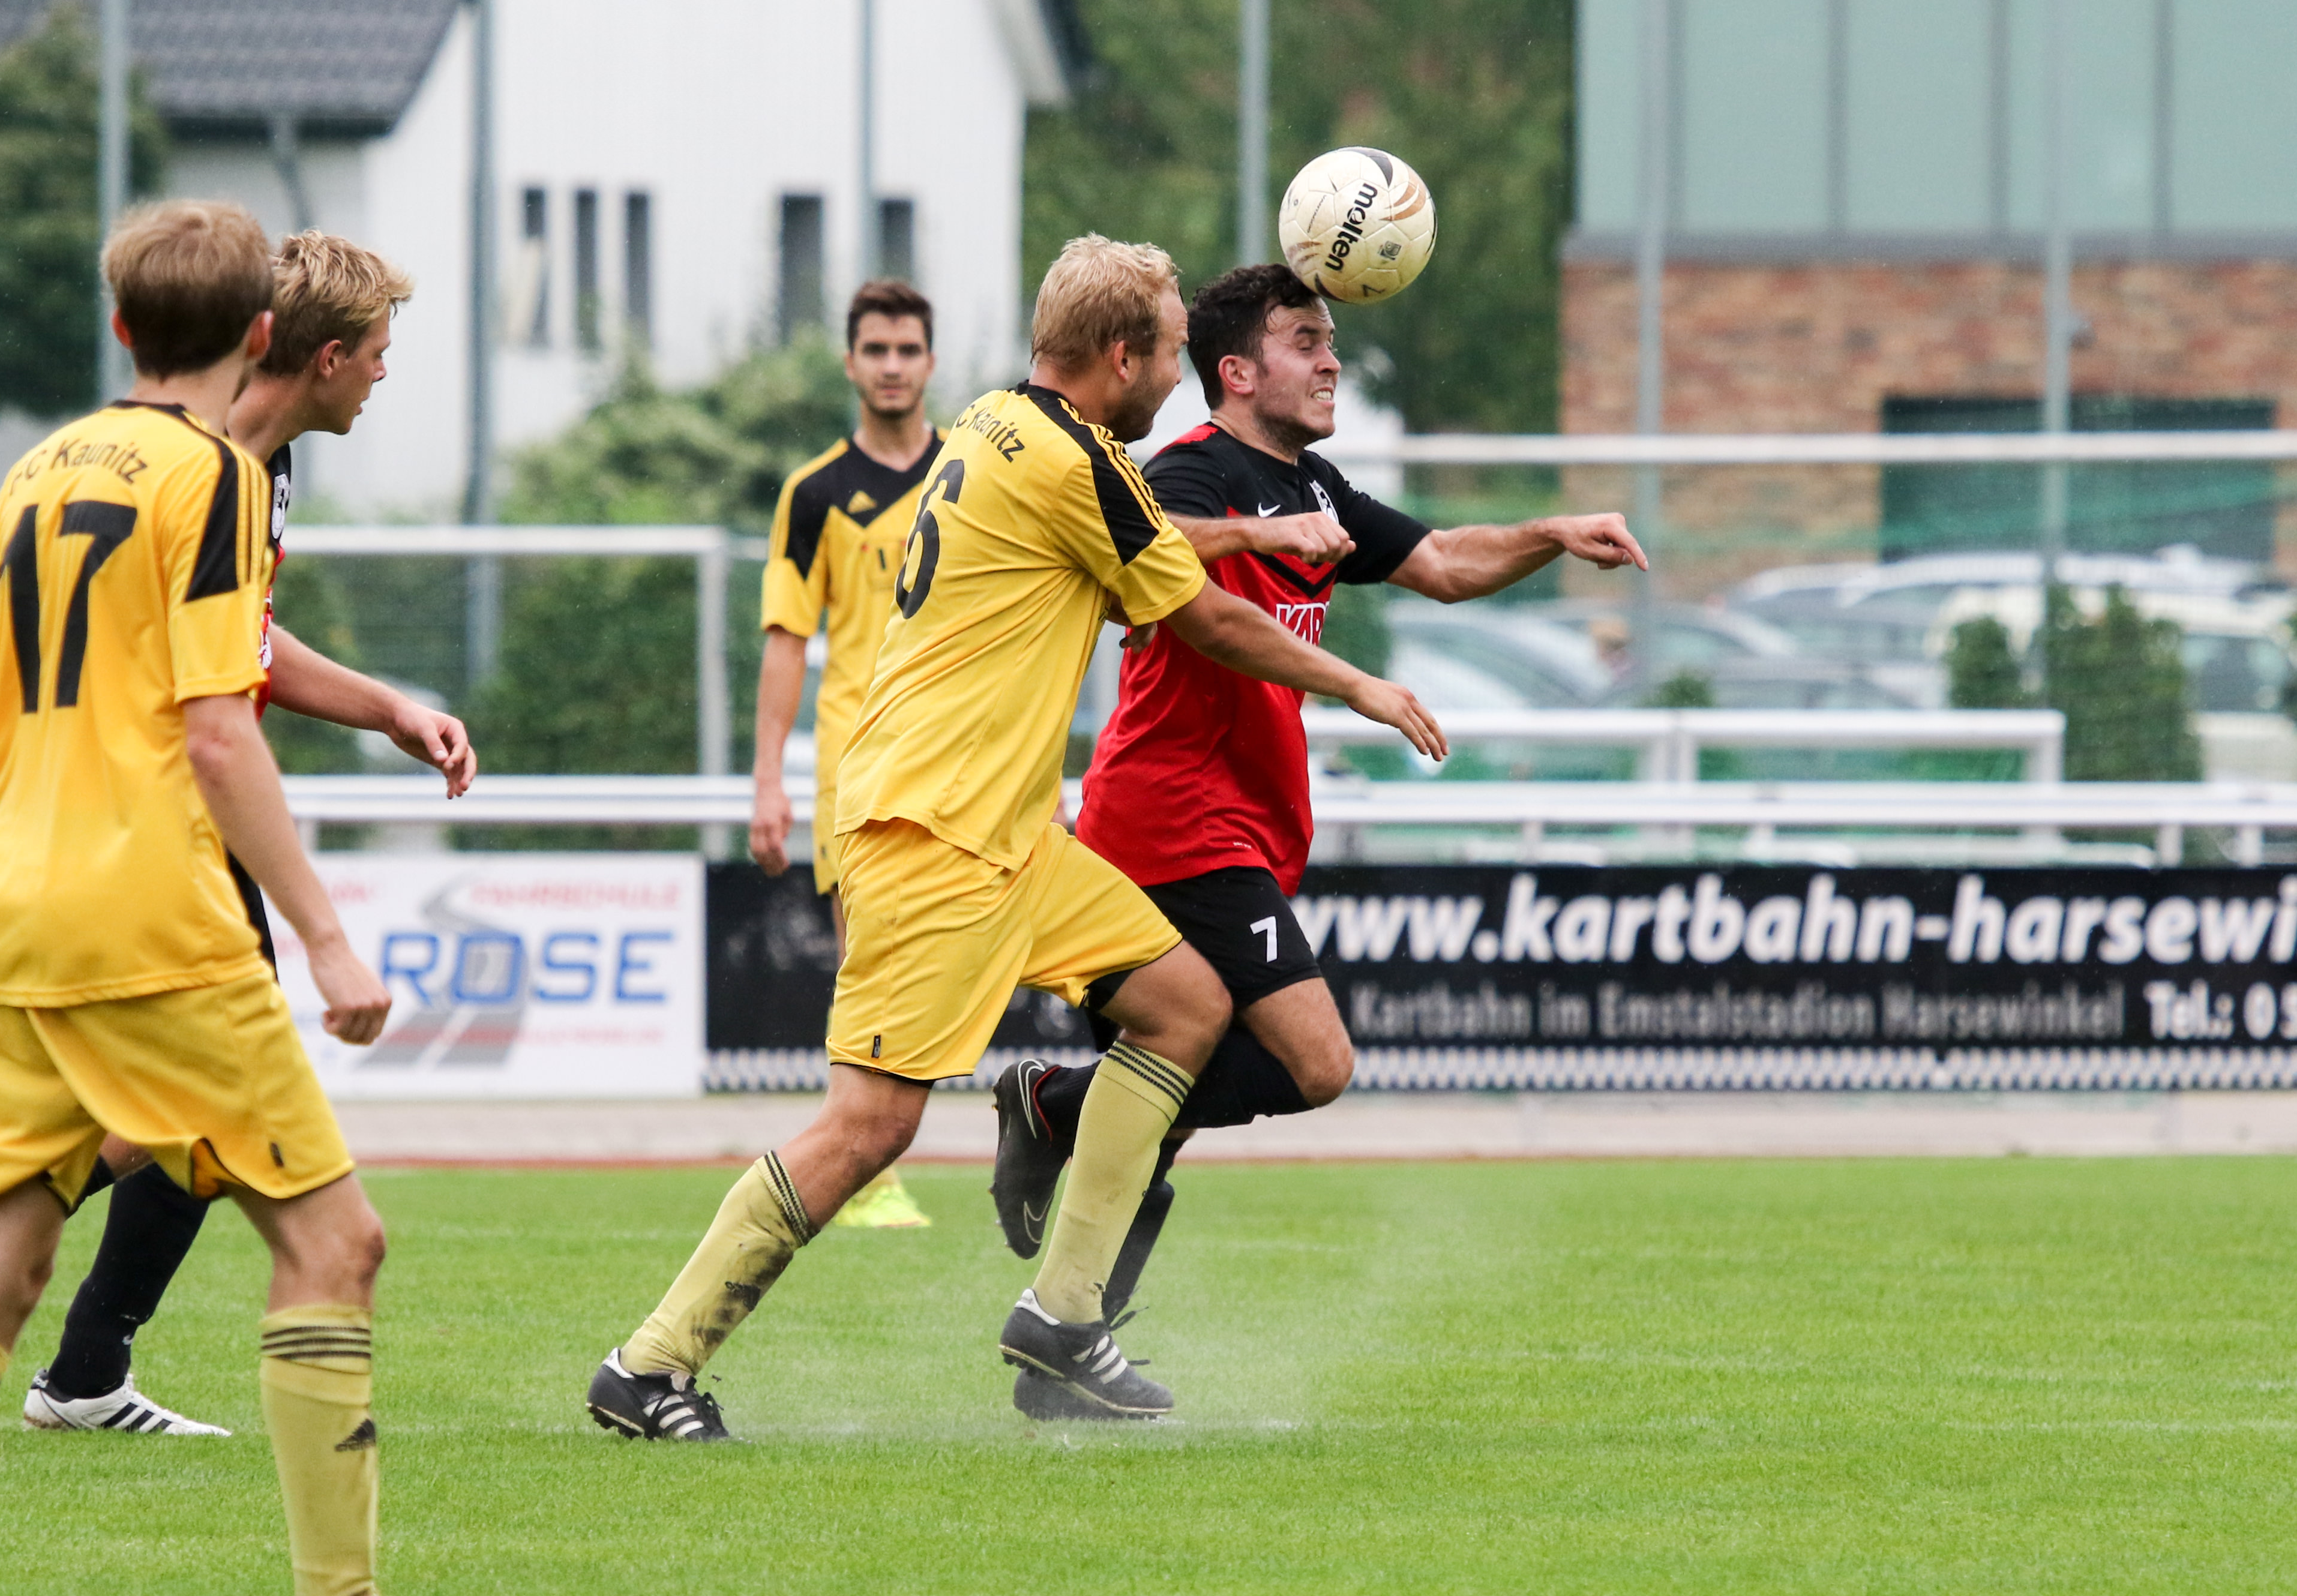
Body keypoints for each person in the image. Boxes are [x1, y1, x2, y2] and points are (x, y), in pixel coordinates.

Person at [0, 199, 518, 1596]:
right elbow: (217, 730)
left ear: (123, 327)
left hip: (15, 904)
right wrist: (326, 937)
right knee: (334, 1245)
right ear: (262, 334)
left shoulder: (44, 465)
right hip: (147, 911)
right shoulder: (219, 479)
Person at [584, 235, 1444, 1441]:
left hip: (1010, 835)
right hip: (932, 834)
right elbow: (1203, 619)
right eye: (1167, 354)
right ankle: (648, 1365)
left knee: (1184, 1005)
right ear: (1120, 357)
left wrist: (1254, 539)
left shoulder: (999, 422)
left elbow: (1157, 546)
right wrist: (1359, 686)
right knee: (869, 1128)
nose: (1177, 378)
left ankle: (1064, 1315)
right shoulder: (1074, 463)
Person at [989, 263, 1648, 1418]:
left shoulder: (1316, 484)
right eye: (1305, 339)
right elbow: (1149, 546)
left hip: (1230, 823)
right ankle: (1052, 1111)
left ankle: (1063, 1344)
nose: (1332, 359)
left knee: (1154, 1120)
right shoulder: (1190, 468)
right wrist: (1329, 639)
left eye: (1330, 339)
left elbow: (1442, 563)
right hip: (1172, 822)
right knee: (1315, 1062)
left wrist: (1551, 532)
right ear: (1236, 371)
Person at [750, 279, 945, 1231]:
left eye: (907, 350)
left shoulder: (973, 474)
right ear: (850, 362)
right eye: (876, 349)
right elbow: (786, 640)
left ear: (931, 362)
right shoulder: (814, 494)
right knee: (863, 963)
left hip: (964, 759)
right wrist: (766, 783)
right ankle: (866, 1169)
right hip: (859, 768)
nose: (892, 366)